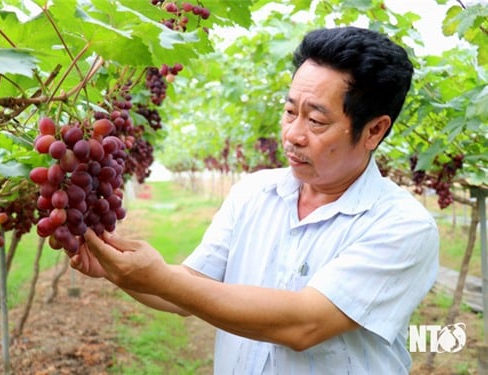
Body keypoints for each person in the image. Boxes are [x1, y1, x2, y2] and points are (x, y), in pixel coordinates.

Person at [70, 26, 439, 374]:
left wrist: (161, 278)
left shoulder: (403, 226)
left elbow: (304, 324)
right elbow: (188, 290)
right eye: (290, 111)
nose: (293, 135)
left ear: (374, 130)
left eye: (316, 121)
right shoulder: (253, 192)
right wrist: (119, 273)